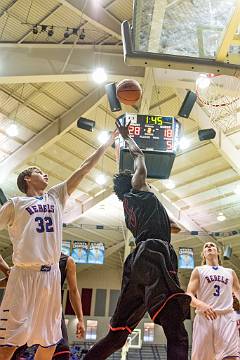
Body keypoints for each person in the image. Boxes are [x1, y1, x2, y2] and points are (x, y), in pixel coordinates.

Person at [0, 131, 115, 360]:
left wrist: (108, 143)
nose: (45, 175)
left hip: (51, 276)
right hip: (23, 275)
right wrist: (4, 267)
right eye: (39, 172)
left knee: (50, 342)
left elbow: (83, 169)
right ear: (27, 179)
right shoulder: (16, 204)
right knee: (9, 343)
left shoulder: (55, 197)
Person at [84, 119, 191, 360]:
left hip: (137, 262)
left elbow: (159, 226)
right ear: (133, 181)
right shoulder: (138, 186)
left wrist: (169, 226)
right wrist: (126, 136)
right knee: (177, 333)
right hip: (154, 254)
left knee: (117, 336)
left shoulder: (128, 207)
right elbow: (139, 155)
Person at [187, 242, 240, 360]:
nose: (209, 247)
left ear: (218, 251)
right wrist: (201, 305)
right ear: (203, 254)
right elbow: (189, 295)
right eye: (206, 246)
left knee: (231, 357)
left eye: (212, 245)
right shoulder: (198, 270)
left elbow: (238, 292)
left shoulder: (230, 272)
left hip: (227, 317)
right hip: (204, 317)